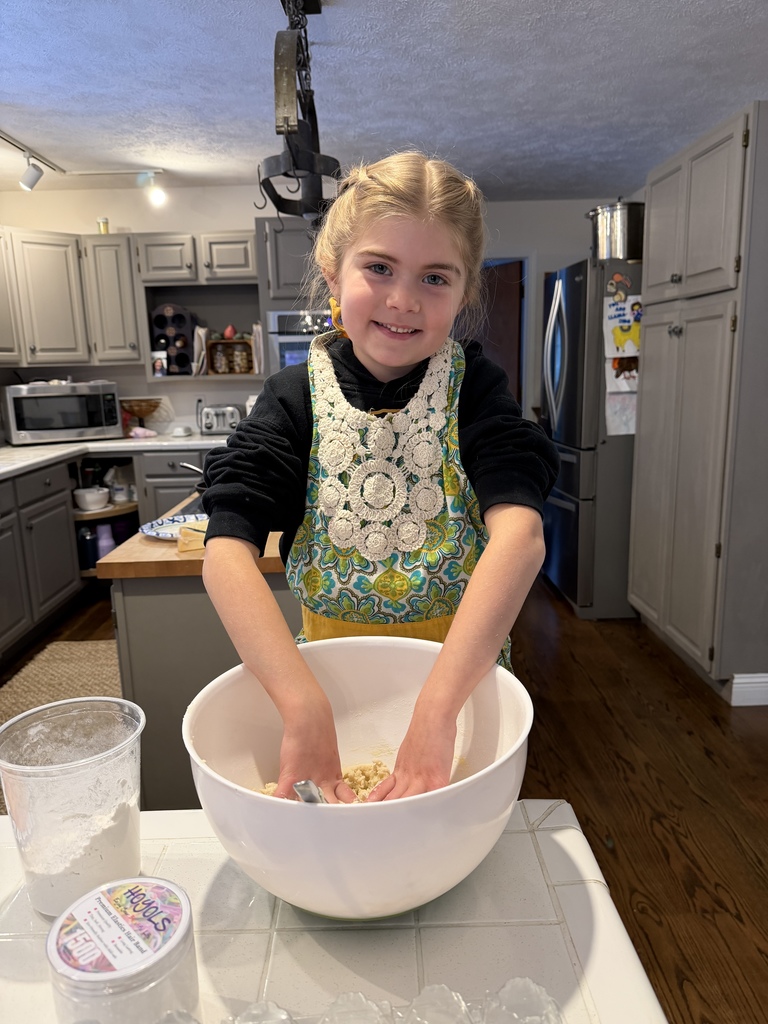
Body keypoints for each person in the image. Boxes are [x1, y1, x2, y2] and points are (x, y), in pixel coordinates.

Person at [201, 151, 559, 804]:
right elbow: (225, 551)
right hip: (329, 687)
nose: (402, 299)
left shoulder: (474, 390)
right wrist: (301, 703)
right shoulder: (293, 397)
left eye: (435, 278)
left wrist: (436, 709)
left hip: (462, 690)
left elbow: (521, 537)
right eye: (379, 267)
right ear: (332, 272)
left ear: (465, 291)